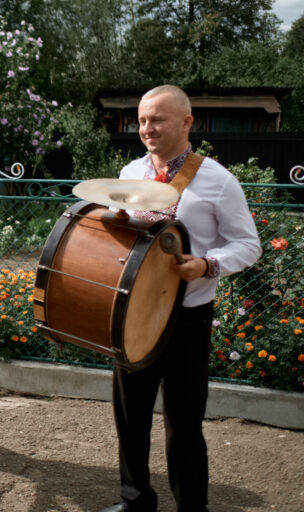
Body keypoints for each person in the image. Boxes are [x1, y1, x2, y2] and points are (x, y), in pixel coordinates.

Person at [99, 86, 261, 512]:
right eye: (141, 120)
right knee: (130, 416)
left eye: (157, 119)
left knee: (184, 425)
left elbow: (248, 244)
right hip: (133, 312)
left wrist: (208, 264)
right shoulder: (131, 170)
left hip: (187, 318)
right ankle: (135, 500)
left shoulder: (217, 180)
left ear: (187, 122)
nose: (146, 128)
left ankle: (192, 506)